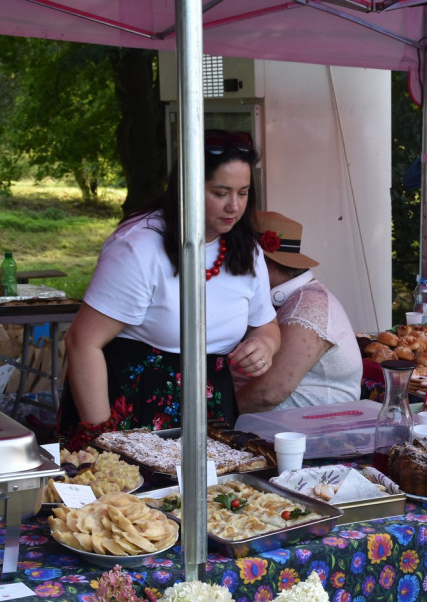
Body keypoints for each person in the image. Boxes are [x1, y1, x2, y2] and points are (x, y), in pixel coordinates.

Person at [59, 129, 280, 449]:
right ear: (187, 188)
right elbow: (82, 343)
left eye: (243, 193)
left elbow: (266, 325)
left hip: (211, 408)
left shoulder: (246, 250)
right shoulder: (139, 246)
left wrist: (265, 345)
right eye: (220, 193)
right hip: (130, 408)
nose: (234, 206)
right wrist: (103, 439)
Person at [236, 211, 363, 413]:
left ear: (267, 265)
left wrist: (212, 417)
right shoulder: (302, 297)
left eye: (242, 261)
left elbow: (268, 393)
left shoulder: (307, 307)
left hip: (314, 434)